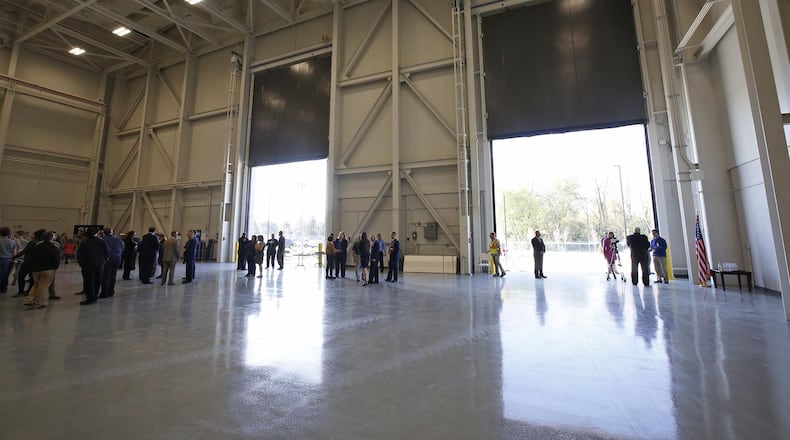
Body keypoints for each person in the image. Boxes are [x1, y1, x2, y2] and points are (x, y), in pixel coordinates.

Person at [22, 230, 60, 309]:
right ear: (51, 238)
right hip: (47, 269)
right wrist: (55, 267)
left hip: (36, 269)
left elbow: (32, 256)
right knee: (42, 287)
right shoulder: (53, 248)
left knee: (36, 285)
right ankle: (37, 303)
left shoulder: (37, 246)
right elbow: (56, 259)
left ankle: (29, 300)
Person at [77, 228, 109, 305]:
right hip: (99, 264)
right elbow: (107, 253)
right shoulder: (102, 241)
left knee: (88, 282)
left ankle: (90, 298)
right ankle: (95, 295)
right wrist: (103, 262)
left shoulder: (84, 242)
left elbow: (80, 254)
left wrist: (82, 264)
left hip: (88, 265)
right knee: (97, 281)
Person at [100, 228, 124, 297]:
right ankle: (111, 291)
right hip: (117, 258)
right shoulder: (118, 239)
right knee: (113, 275)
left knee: (106, 276)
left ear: (104, 233)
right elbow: (122, 248)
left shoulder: (103, 240)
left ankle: (105, 293)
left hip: (108, 258)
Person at [0, 226, 18, 294]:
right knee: (5, 274)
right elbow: (14, 253)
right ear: (9, 233)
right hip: (7, 260)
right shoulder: (12, 242)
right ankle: (4, 288)